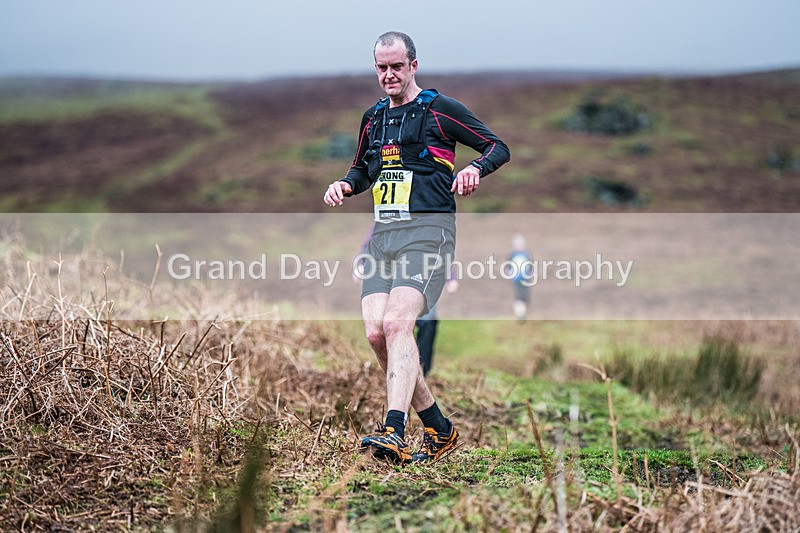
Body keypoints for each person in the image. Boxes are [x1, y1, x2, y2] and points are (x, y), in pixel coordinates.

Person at [324, 31, 510, 464]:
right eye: (381, 67)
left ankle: (394, 430)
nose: (389, 74)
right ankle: (439, 428)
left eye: (397, 66)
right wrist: (345, 185)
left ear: (413, 65)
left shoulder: (440, 109)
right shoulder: (373, 117)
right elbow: (362, 169)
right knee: (377, 334)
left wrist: (475, 169)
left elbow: (497, 146)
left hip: (428, 233)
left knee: (397, 325)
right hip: (383, 237)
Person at [356, 225, 460, 377]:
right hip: (392, 279)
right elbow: (371, 242)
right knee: (392, 326)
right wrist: (361, 264)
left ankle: (421, 372)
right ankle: (396, 372)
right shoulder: (387, 217)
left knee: (428, 323)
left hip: (422, 278)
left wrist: (450, 276)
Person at [507, 233, 532, 321]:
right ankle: (520, 315)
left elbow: (530, 266)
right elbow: (508, 266)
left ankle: (523, 314)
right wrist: (511, 275)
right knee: (518, 297)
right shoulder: (512, 254)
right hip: (517, 279)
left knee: (526, 297)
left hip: (526, 279)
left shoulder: (527, 254)